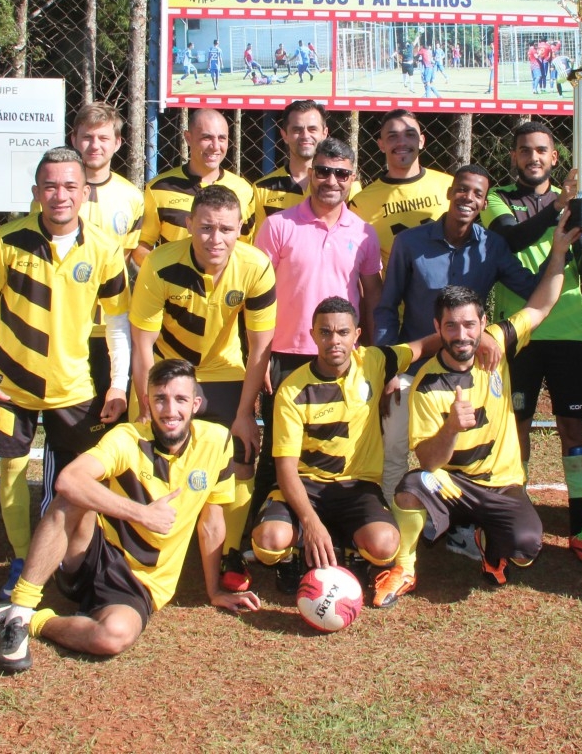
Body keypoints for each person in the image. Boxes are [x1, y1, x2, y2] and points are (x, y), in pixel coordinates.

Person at [0, 359, 259, 673]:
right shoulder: (128, 437)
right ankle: (21, 608)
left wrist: (214, 590)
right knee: (74, 496)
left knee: (113, 637)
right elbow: (68, 480)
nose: (170, 410)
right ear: (147, 401)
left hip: (141, 584)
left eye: (180, 399)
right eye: (160, 398)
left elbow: (212, 522)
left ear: (196, 404)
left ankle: (33, 620)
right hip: (91, 554)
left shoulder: (217, 442)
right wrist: (142, 514)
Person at [0, 148, 132, 601]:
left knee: (76, 479)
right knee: (10, 474)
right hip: (8, 387)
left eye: (69, 186)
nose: (59, 195)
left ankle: (72, 557)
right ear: (36, 192)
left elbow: (118, 323)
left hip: (73, 387)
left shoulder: (104, 248)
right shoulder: (6, 239)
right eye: (50, 186)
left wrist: (117, 384)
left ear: (85, 192)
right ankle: (23, 558)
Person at [391, 214, 577, 590]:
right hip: (455, 484)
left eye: (470, 325)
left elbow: (541, 305)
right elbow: (429, 461)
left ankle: (489, 543)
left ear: (484, 322)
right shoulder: (427, 383)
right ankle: (405, 567)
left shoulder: (498, 342)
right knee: (412, 488)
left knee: (526, 547)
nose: (462, 335)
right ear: (438, 328)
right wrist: (450, 427)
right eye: (452, 326)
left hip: (503, 484)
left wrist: (558, 251)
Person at [130, 184, 275, 596]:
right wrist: (145, 403)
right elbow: (142, 345)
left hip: (223, 372)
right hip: (167, 371)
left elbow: (260, 347)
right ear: (190, 224)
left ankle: (230, 552)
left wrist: (246, 413)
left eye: (226, 229)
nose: (216, 239)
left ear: (241, 230)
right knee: (147, 457)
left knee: (242, 455)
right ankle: (141, 545)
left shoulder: (256, 266)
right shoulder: (159, 264)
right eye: (206, 227)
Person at [251, 296, 437, 608]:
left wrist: (474, 338)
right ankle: (291, 557)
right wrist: (309, 522)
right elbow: (285, 470)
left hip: (357, 486)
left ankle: (350, 549)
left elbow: (423, 346)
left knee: (385, 546)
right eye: (325, 333)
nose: (334, 341)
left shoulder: (374, 362)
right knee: (268, 544)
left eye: (342, 333)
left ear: (357, 335)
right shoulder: (293, 389)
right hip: (304, 485)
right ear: (312, 335)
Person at [482, 121, 582, 562]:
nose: (533, 157)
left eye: (542, 150)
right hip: (518, 333)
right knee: (518, 427)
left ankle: (581, 526)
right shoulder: (498, 199)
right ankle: (518, 521)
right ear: (514, 157)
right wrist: (559, 210)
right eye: (525, 150)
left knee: (573, 427)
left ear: (555, 157)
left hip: (570, 331)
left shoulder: (574, 203)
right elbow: (514, 238)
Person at [253, 136, 381, 531]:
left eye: (340, 173)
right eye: (323, 170)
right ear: (311, 172)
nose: (331, 180)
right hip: (287, 356)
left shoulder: (364, 233)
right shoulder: (277, 225)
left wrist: (373, 353)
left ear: (352, 179)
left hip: (344, 355)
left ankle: (338, 526)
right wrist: (257, 363)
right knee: (279, 452)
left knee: (341, 446)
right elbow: (257, 299)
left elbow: (372, 296)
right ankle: (256, 536)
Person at [32, 103, 145, 394]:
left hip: (109, 324)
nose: (95, 145)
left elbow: (127, 257)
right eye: (87, 137)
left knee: (109, 406)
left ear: (118, 143)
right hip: (59, 321)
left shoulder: (132, 198)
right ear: (73, 139)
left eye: (103, 138)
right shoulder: (53, 197)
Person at [136, 107, 257, 262]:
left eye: (222, 138)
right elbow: (142, 245)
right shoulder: (159, 188)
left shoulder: (244, 190)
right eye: (206, 138)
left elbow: (248, 249)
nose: (215, 146)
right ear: (188, 138)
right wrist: (164, 275)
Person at [349, 108, 454, 267]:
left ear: (421, 141)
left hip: (448, 289)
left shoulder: (450, 185)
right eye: (392, 136)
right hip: (393, 290)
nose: (402, 142)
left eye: (410, 134)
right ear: (381, 145)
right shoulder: (361, 203)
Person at [251, 100, 360, 227]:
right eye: (297, 130)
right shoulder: (262, 188)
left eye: (312, 129)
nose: (305, 136)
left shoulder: (346, 185)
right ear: (284, 135)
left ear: (324, 133)